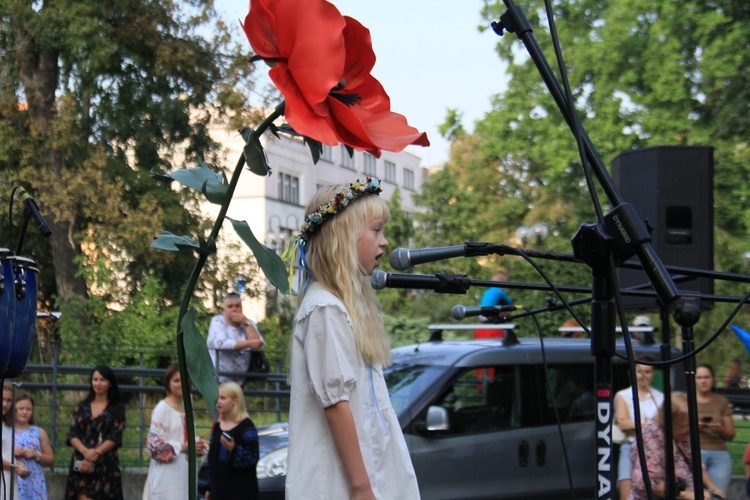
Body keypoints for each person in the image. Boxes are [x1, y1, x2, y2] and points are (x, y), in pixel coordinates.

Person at [284, 178, 420, 499]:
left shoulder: (340, 306)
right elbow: (336, 406)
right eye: (376, 230)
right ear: (343, 237)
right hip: (341, 484)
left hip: (368, 471)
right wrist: (361, 488)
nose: (384, 242)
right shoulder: (324, 308)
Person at [630, 392, 724, 499]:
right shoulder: (651, 439)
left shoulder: (683, 436)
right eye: (685, 425)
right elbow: (646, 483)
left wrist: (713, 489)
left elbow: (697, 465)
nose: (690, 429)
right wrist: (686, 495)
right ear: (670, 422)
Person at [143, 365, 209, 500]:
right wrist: (184, 447)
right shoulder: (162, 409)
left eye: (184, 380)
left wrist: (199, 445)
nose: (181, 384)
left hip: (184, 475)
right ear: (168, 383)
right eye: (176, 380)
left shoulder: (187, 406)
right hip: (167, 479)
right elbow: (153, 448)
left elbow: (183, 437)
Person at [65, 365, 126, 500]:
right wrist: (86, 453)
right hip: (81, 464)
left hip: (106, 464)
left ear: (110, 383)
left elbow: (115, 437)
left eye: (102, 380)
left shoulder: (117, 408)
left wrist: (93, 455)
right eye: (95, 379)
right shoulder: (81, 407)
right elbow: (73, 434)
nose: (98, 383)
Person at [614, 357, 664, 499]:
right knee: (626, 492)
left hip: (654, 450)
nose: (643, 376)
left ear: (653, 373)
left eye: (647, 372)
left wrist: (634, 425)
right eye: (639, 371)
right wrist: (650, 425)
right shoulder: (623, 395)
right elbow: (623, 424)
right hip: (629, 446)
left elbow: (662, 427)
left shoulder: (661, 398)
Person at [204, 382, 259, 500]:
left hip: (241, 490)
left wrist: (233, 449)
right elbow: (211, 460)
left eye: (223, 398)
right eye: (218, 397)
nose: (218, 401)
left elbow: (253, 457)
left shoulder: (246, 426)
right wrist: (209, 487)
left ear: (235, 401)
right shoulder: (218, 426)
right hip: (219, 489)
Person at [207, 292, 265, 384]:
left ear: (242, 308)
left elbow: (259, 345)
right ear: (225, 309)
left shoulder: (249, 323)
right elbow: (220, 343)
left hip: (240, 380)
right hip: (219, 378)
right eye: (230, 306)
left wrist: (246, 323)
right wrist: (248, 343)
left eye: (237, 306)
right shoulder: (218, 321)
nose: (234, 309)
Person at [695, 363, 735, 496]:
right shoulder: (686, 400)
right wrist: (695, 426)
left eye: (706, 377)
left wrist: (720, 429)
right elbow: (677, 430)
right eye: (699, 377)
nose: (703, 381)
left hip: (719, 451)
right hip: (695, 450)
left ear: (713, 379)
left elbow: (731, 434)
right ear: (694, 380)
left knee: (718, 494)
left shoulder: (721, 401)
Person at [13, 392, 54, 499]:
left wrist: (36, 454)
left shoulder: (39, 432)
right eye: (21, 408)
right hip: (13, 480)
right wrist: (11, 452)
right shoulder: (5, 430)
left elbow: (50, 459)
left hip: (34, 482)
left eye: (28, 409)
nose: (24, 412)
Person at [3, 383, 29, 499]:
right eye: (2, 399)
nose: (5, 404)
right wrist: (14, 466)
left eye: (9, 400)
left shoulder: (4, 424)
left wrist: (17, 464)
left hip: (8, 481)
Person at [473, 273, 513, 340]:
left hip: (481, 314)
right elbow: (509, 301)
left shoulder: (488, 291)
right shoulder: (499, 291)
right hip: (490, 314)